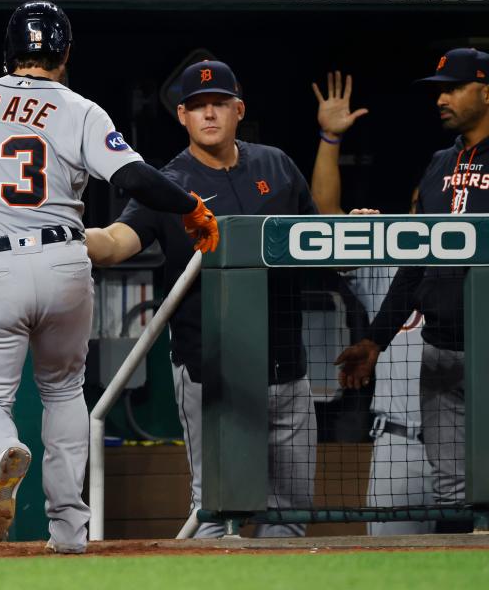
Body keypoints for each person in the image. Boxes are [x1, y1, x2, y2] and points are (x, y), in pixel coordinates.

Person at [0, 1, 218, 553]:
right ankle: (69, 531)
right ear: (64, 53)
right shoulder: (80, 109)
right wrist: (188, 205)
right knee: (64, 392)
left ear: (9, 52)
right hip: (66, 258)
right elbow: (134, 176)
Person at [87, 59, 318, 538]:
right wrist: (67, 232)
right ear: (182, 117)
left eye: (218, 104)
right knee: (216, 512)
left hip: (286, 368)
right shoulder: (168, 182)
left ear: (239, 110)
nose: (208, 114)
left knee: (290, 517)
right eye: (197, 106)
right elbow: (116, 242)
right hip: (212, 372)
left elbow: (319, 240)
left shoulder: (276, 165)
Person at [336, 48, 489, 532]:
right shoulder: (438, 164)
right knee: (453, 497)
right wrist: (376, 340)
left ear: (486, 91)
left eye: (453, 88)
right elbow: (416, 263)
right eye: (437, 90)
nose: (441, 98)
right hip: (440, 349)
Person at [311, 71, 434, 535]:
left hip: (470, 439)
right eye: (425, 204)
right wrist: (329, 139)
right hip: (398, 444)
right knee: (389, 568)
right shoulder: (391, 253)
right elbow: (325, 216)